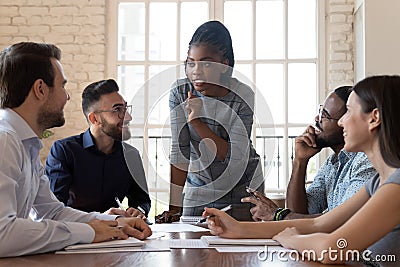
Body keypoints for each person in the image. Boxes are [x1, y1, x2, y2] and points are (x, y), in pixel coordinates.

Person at [204, 75, 400, 265]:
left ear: (374, 118)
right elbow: (319, 224)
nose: (342, 121)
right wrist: (237, 228)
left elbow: (331, 249)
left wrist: (291, 239)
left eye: (348, 111)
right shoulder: (378, 183)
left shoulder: (396, 187)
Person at [0, 42, 151, 258]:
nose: (67, 97)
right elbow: (2, 234)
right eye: (62, 86)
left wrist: (115, 222)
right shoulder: (5, 141)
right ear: (40, 89)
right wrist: (89, 231)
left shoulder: (26, 144)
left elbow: (52, 211)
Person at [155, 21, 264, 222]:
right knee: (189, 246)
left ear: (224, 64)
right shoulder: (180, 91)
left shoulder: (242, 96)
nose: (196, 71)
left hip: (242, 187)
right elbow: (180, 150)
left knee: (237, 251)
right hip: (199, 186)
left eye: (206, 63)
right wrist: (174, 208)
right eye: (191, 63)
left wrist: (197, 122)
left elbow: (233, 157)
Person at [242, 86, 376, 221]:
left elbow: (340, 221)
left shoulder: (367, 161)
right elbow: (300, 213)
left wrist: (277, 214)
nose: (317, 118)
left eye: (325, 115)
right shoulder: (332, 163)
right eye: (320, 111)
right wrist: (300, 161)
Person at [46, 79, 151, 218]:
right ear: (95, 119)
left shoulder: (131, 155)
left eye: (125, 108)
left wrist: (139, 211)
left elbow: (142, 201)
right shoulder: (64, 151)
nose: (128, 117)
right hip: (76, 235)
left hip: (118, 235)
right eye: (117, 110)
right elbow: (54, 209)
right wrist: (100, 218)